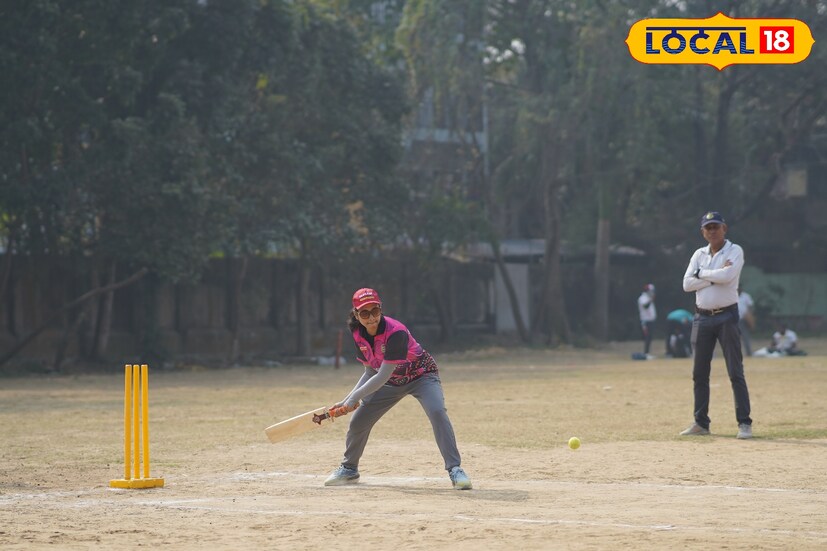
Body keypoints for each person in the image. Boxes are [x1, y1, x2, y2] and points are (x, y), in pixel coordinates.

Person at [323, 288, 472, 490]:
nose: (371, 318)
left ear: (381, 310)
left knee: (437, 411)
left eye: (374, 311)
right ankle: (349, 469)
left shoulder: (396, 332)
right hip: (391, 383)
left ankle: (455, 469)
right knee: (359, 421)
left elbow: (382, 374)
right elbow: (370, 371)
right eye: (364, 313)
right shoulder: (358, 332)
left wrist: (354, 398)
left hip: (421, 376)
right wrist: (347, 399)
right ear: (357, 315)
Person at [680, 211, 753, 439]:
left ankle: (744, 423)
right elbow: (686, 284)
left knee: (735, 371)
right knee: (699, 373)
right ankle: (701, 423)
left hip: (726, 316)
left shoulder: (735, 250)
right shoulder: (699, 254)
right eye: (708, 228)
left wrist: (701, 275)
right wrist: (713, 275)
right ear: (703, 232)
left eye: (716, 227)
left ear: (724, 229)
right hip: (702, 317)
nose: (712, 231)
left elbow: (729, 276)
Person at [637, 284, 657, 358]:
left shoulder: (648, 298)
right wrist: (651, 299)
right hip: (645, 321)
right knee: (647, 337)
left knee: (650, 337)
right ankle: (646, 353)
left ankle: (647, 352)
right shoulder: (642, 298)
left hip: (650, 320)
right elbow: (645, 306)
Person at [737, 287, 755, 356]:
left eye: (739, 288)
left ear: (741, 289)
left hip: (743, 320)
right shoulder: (732, 295)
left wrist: (749, 315)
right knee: (735, 338)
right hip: (733, 320)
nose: (738, 289)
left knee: (745, 337)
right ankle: (737, 354)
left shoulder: (746, 296)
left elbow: (750, 306)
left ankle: (749, 353)